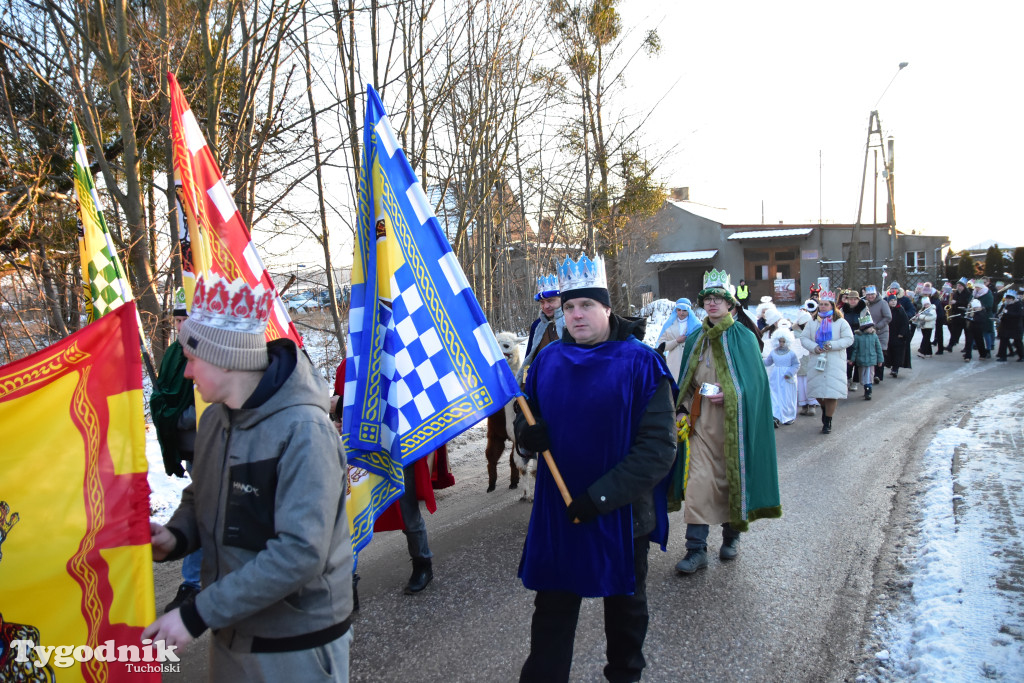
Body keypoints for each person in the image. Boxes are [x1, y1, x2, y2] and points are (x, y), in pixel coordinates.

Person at [144, 274, 353, 681]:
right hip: (232, 636)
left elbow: (299, 553)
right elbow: (203, 494)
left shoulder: (305, 431)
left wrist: (195, 614)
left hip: (297, 646)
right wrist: (176, 537)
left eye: (191, 359)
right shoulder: (216, 421)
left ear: (225, 359)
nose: (186, 373)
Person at [514, 253, 676, 683]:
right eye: (568, 307)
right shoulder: (547, 362)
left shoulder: (642, 364)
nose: (576, 315)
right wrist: (527, 437)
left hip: (621, 515)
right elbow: (525, 418)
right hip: (559, 513)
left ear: (608, 307)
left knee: (624, 613)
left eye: (586, 305)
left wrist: (600, 497)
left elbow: (658, 448)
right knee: (551, 612)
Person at [672, 268, 781, 574]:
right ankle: (696, 549)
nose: (712, 303)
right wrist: (681, 409)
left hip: (736, 426)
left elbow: (756, 385)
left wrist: (732, 395)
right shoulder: (696, 338)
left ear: (731, 305)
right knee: (698, 485)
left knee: (734, 481)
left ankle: (731, 538)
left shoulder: (744, 338)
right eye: (707, 298)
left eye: (719, 298)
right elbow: (687, 383)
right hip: (702, 425)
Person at [149, 288, 201, 613]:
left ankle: (194, 584)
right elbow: (162, 395)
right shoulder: (172, 354)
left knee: (214, 507)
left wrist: (180, 417)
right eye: (177, 319)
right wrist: (164, 414)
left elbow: (207, 403)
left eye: (186, 318)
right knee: (205, 505)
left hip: (208, 445)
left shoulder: (202, 349)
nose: (180, 325)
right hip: (188, 450)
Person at [799, 290, 854, 434]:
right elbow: (804, 338)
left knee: (831, 393)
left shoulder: (841, 322)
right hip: (817, 360)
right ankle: (824, 409)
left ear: (832, 306)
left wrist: (832, 345)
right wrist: (814, 347)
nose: (823, 307)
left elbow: (849, 339)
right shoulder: (812, 322)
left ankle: (828, 420)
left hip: (834, 361)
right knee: (817, 391)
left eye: (826, 304)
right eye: (821, 304)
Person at [657, 298, 701, 381]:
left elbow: (701, 343)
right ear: (676, 310)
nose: (681, 313)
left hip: (691, 361)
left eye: (684, 310)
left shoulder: (697, 326)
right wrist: (676, 341)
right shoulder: (669, 325)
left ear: (689, 310)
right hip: (674, 363)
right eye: (679, 310)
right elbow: (661, 345)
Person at [763, 328, 800, 426]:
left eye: (784, 341)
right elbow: (767, 362)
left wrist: (790, 373)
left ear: (788, 341)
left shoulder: (791, 353)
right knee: (775, 395)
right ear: (776, 341)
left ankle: (789, 416)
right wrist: (758, 359)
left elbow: (796, 365)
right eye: (780, 341)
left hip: (787, 377)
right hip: (776, 376)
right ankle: (776, 416)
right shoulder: (773, 352)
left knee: (787, 396)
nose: (781, 343)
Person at [850, 313, 885, 400]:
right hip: (861, 361)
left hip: (871, 360)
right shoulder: (858, 337)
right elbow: (855, 349)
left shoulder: (874, 336)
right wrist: (852, 359)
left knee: (869, 377)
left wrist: (880, 360)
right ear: (864, 328)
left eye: (872, 327)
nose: (871, 329)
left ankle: (868, 391)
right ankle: (866, 387)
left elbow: (878, 349)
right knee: (863, 377)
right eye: (870, 327)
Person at [792, 307, 819, 416]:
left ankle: (812, 404)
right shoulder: (795, 333)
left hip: (811, 362)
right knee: (801, 386)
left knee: (811, 384)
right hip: (800, 363)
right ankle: (803, 405)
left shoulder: (815, 332)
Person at [840, 290, 869, 390]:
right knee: (847, 360)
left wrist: (863, 332)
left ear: (858, 299)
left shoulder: (864, 310)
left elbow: (868, 325)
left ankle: (855, 381)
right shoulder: (843, 310)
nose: (852, 301)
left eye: (854, 299)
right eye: (850, 299)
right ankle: (847, 378)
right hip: (846, 337)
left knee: (857, 361)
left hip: (859, 337)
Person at [864, 285, 892, 383]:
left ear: (876, 294)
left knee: (880, 352)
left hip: (881, 332)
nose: (870, 296)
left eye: (872, 294)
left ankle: (878, 375)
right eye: (868, 295)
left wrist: (877, 326)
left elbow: (888, 317)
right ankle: (872, 373)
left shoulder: (883, 303)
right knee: (871, 352)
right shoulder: (865, 304)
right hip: (868, 332)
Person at [885, 294, 911, 378]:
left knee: (897, 353)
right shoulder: (886, 310)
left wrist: (902, 333)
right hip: (889, 334)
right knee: (890, 351)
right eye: (891, 301)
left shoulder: (900, 310)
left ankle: (895, 369)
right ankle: (890, 365)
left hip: (898, 336)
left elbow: (905, 323)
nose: (893, 302)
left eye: (894, 300)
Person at [995, 289, 1023, 362]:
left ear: (1013, 299)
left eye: (1009, 298)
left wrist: (1008, 312)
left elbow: (1019, 315)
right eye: (1007, 298)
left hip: (1015, 326)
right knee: (1003, 340)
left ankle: (1022, 356)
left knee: (1017, 341)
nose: (1007, 300)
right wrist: (999, 316)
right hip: (1005, 325)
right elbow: (1000, 312)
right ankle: (1002, 356)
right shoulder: (1005, 304)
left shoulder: (1018, 304)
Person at [945, 278, 972, 351]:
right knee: (954, 331)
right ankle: (950, 345)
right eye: (957, 285)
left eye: (960, 285)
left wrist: (956, 302)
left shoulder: (968, 294)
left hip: (964, 315)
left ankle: (967, 347)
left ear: (964, 286)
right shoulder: (955, 293)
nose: (958, 287)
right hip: (956, 315)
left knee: (967, 333)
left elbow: (967, 303)